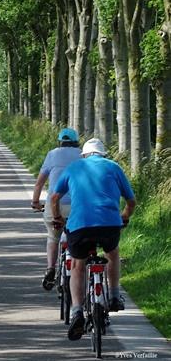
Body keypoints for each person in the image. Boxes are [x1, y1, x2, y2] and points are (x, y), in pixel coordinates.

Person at [51, 138, 136, 341]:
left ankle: (77, 312)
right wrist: (123, 217)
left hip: (80, 225)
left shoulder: (74, 167)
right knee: (112, 253)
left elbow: (54, 198)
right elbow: (131, 201)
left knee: (78, 266)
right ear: (103, 154)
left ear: (85, 155)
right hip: (109, 224)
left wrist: (57, 218)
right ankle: (114, 296)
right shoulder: (114, 167)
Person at [31, 127, 81, 290]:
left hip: (54, 205)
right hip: (77, 206)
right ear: (76, 142)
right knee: (78, 237)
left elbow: (40, 182)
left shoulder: (52, 154)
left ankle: (51, 268)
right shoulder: (82, 155)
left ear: (60, 141)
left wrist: (35, 202)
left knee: (53, 237)